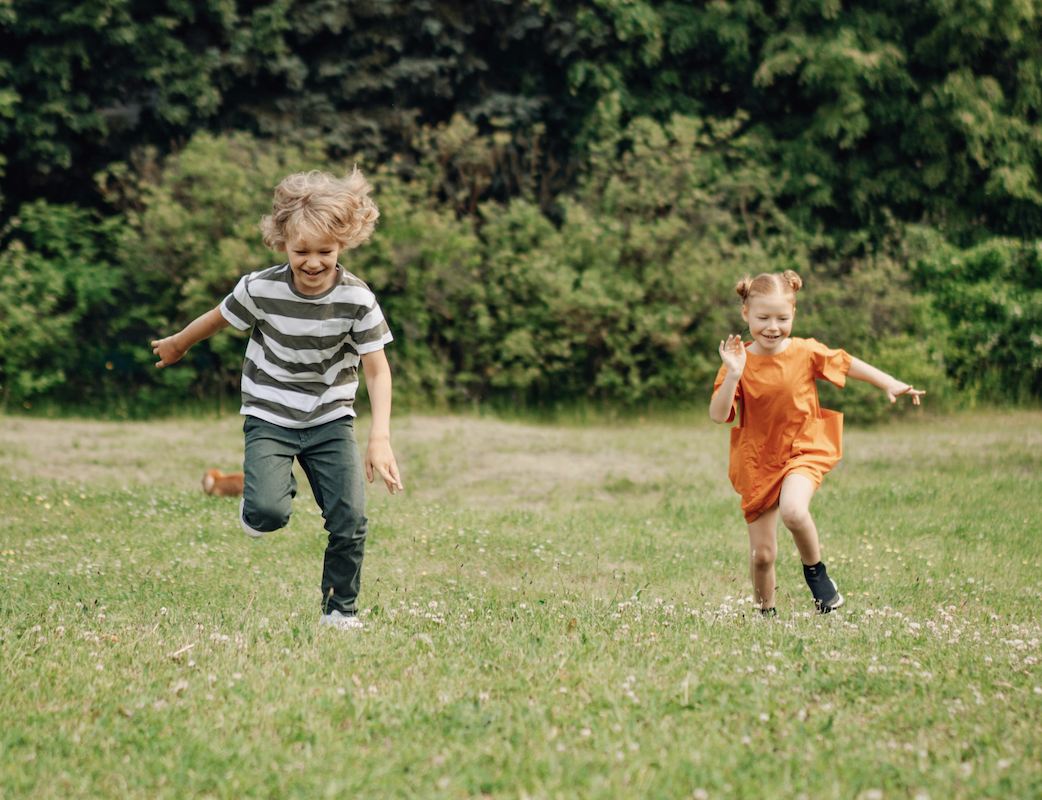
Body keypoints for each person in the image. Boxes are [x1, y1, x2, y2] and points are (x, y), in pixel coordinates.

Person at [151, 168, 403, 630]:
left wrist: (380, 437)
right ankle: (261, 500)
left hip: (330, 418)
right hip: (269, 413)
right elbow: (216, 318)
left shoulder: (357, 300)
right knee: (267, 513)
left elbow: (377, 368)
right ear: (282, 242)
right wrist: (178, 344)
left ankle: (339, 611)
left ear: (342, 245)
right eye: (301, 251)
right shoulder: (260, 288)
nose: (313, 262)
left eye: (325, 252)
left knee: (350, 519)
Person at [709, 270, 924, 615]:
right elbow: (719, 416)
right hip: (758, 459)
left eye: (782, 318)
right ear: (746, 313)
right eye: (763, 318)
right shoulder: (738, 361)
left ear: (793, 313)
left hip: (803, 448)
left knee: (794, 511)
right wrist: (733, 373)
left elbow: (846, 363)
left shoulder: (804, 351)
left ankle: (817, 575)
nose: (773, 327)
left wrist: (889, 382)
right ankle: (766, 614)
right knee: (763, 556)